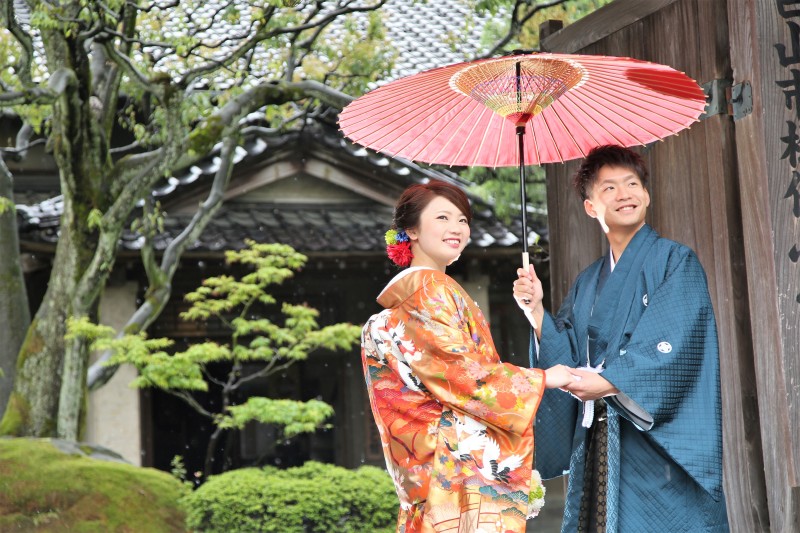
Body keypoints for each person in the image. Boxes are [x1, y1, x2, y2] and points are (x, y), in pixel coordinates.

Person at [513, 145, 729, 532]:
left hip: (655, 444)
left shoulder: (675, 261)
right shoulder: (587, 281)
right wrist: (536, 311)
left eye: (632, 184)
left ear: (646, 195)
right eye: (609, 188)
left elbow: (676, 346)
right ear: (591, 207)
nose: (624, 194)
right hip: (600, 435)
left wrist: (612, 382)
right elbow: (569, 353)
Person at [361, 180, 575, 533]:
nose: (456, 229)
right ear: (411, 230)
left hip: (431, 468)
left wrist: (533, 309)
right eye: (442, 217)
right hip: (452, 471)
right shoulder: (427, 293)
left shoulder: (419, 294)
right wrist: (544, 378)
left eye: (462, 220)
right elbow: (463, 376)